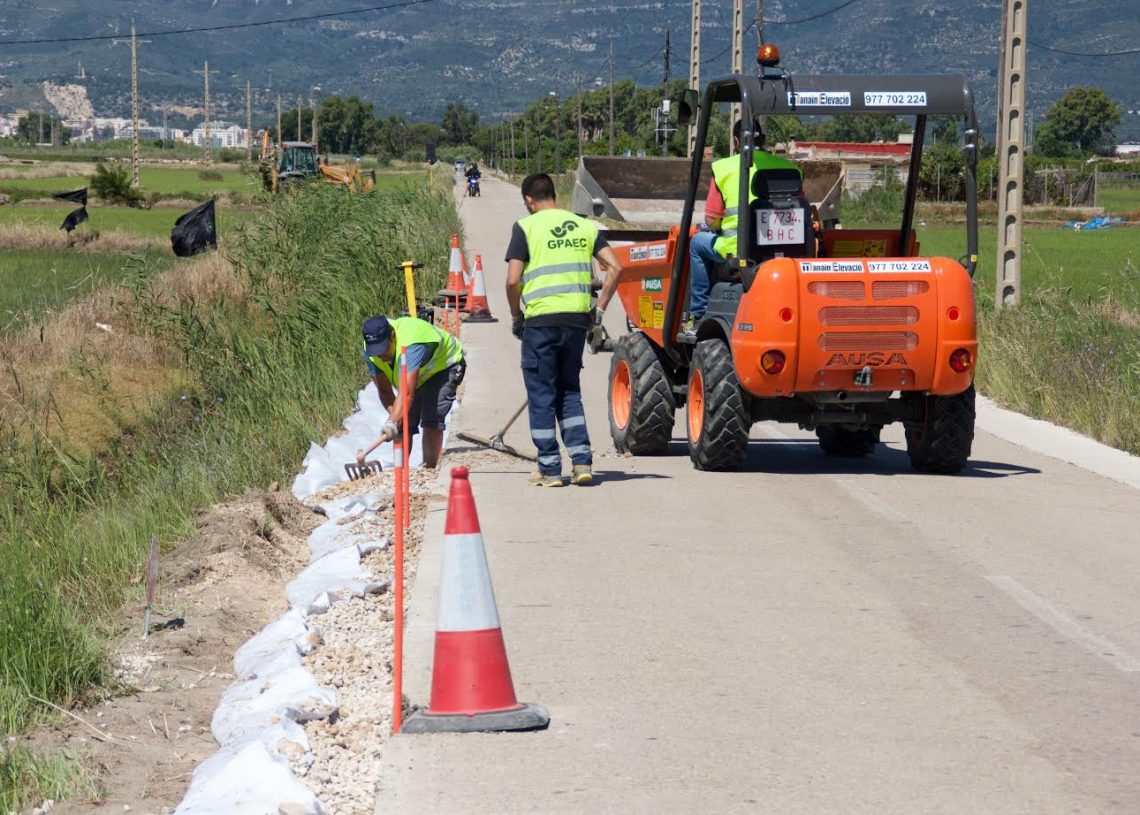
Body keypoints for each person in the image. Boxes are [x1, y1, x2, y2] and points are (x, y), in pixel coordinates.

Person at [505, 173, 623, 487]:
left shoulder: (525, 227)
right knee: (569, 391)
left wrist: (516, 316)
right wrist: (598, 313)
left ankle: (549, 468)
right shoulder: (583, 226)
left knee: (542, 394)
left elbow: (513, 280)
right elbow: (616, 267)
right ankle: (581, 462)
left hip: (540, 323)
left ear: (529, 200)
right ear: (553, 194)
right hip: (575, 322)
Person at [687, 118, 801, 327]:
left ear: (736, 141)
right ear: (763, 139)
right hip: (786, 252)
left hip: (739, 251)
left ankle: (697, 314)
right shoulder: (790, 169)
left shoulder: (723, 168)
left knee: (696, 244)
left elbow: (712, 221)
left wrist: (720, 225)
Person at [357, 314, 466, 469]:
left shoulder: (411, 344)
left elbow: (407, 393)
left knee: (432, 417)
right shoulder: (370, 351)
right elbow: (384, 391)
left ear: (392, 336)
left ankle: (429, 468)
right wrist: (395, 421)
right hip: (418, 374)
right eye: (376, 352)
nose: (380, 356)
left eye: (383, 349)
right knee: (401, 422)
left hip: (445, 367)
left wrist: (393, 420)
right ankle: (400, 470)